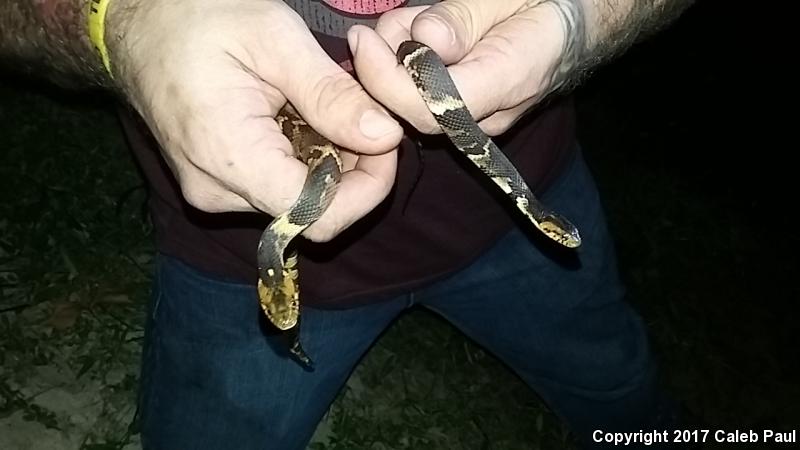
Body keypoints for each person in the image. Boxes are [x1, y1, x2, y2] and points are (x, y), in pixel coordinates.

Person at [1, 0, 696, 448]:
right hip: (231, 254)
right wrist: (122, 21)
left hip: (517, 213)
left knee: (622, 392)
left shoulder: (535, 214)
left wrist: (590, 17)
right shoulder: (278, 253)